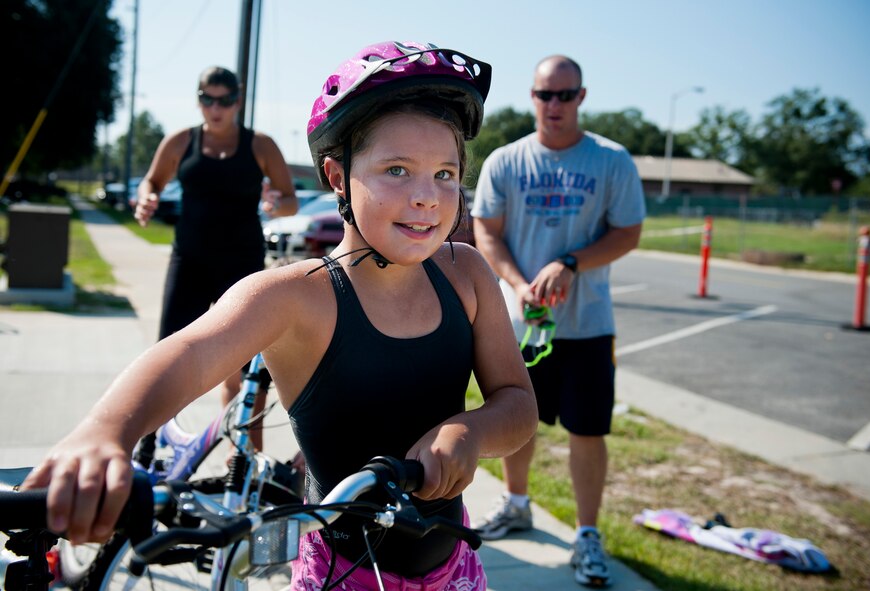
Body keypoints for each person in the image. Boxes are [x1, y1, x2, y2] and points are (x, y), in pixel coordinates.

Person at [24, 41, 538, 591]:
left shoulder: (467, 273)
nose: (427, 197)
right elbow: (189, 353)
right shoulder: (298, 295)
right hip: (340, 575)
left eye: (444, 173)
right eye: (396, 169)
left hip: (456, 570)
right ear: (338, 177)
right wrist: (104, 433)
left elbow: (518, 404)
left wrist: (471, 429)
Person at [470, 55, 646, 588]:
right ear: (532, 97)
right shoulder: (506, 161)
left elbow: (628, 233)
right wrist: (521, 287)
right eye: (545, 95)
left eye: (565, 96)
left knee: (587, 429)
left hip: (588, 323)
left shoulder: (611, 161)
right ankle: (517, 503)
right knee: (518, 418)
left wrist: (571, 262)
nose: (554, 105)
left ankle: (587, 534)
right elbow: (488, 233)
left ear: (581, 98)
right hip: (520, 324)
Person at [133, 66, 297, 451]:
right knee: (168, 355)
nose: (216, 107)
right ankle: (150, 444)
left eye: (225, 100)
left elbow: (290, 200)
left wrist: (276, 204)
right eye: (208, 98)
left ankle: (243, 454)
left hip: (241, 269)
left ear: (237, 101)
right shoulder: (180, 142)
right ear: (198, 99)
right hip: (189, 261)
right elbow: (151, 181)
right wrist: (146, 197)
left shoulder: (260, 145)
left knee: (247, 368)